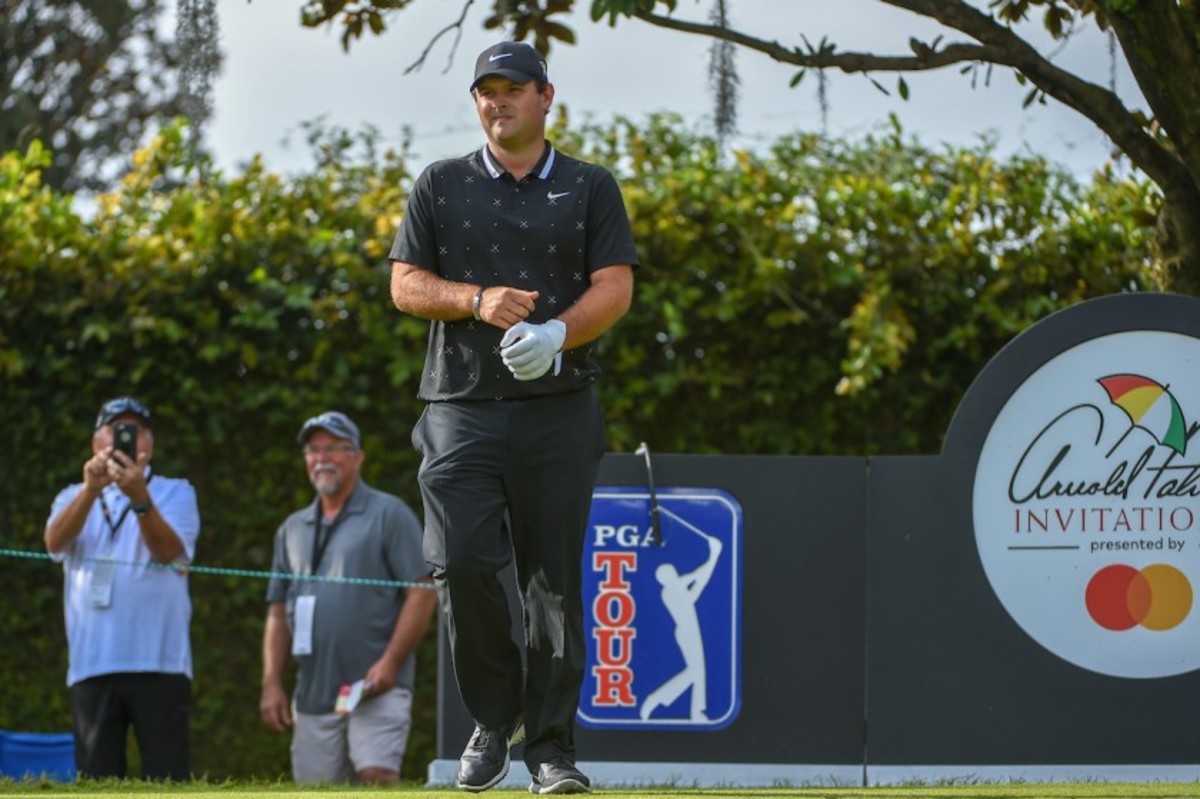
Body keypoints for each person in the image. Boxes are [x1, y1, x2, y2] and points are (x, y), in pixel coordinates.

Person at [388, 40, 639, 796]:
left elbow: (616, 285)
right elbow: (405, 283)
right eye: (485, 91)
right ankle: (495, 720)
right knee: (462, 561)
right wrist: (474, 299)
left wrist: (561, 332)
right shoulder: (440, 183)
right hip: (458, 408)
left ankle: (553, 751)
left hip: (559, 410)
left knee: (553, 583)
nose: (497, 101)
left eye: (512, 88)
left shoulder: (591, 186)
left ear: (545, 96)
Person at [259, 410, 437, 785]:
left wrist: (390, 662)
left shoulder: (389, 514)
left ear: (357, 456)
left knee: (376, 776)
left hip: (375, 686)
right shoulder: (291, 528)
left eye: (333, 448)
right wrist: (271, 683)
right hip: (314, 694)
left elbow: (422, 592)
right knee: (315, 791)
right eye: (313, 450)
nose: (321, 458)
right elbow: (277, 612)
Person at [43, 396, 201, 780]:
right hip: (93, 664)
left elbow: (170, 552)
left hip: (160, 661)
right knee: (97, 780)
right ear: (96, 442)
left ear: (150, 442)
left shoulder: (175, 491)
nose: (125, 437)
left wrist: (139, 498)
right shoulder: (71, 495)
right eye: (115, 429)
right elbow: (55, 544)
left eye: (135, 430)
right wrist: (91, 491)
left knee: (168, 780)